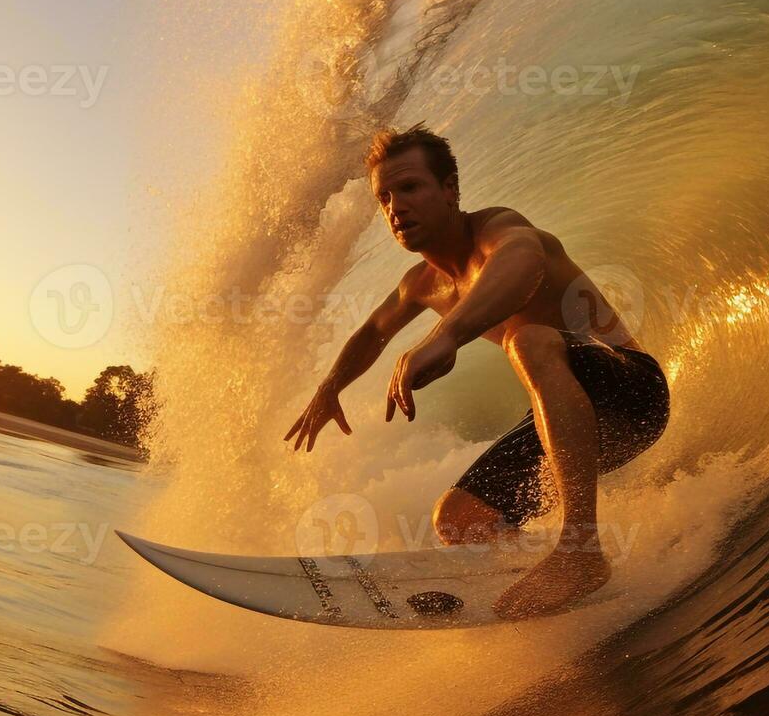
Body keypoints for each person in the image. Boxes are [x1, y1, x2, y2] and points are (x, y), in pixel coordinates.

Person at [284, 124, 670, 619]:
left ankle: (580, 551)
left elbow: (523, 262)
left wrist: (446, 335)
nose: (395, 207)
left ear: (450, 190)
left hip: (632, 392)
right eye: (384, 198)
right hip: (575, 424)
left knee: (526, 339)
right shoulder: (421, 284)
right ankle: (543, 574)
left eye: (410, 188)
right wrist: (329, 388)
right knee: (460, 519)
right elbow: (372, 333)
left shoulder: (499, 232)